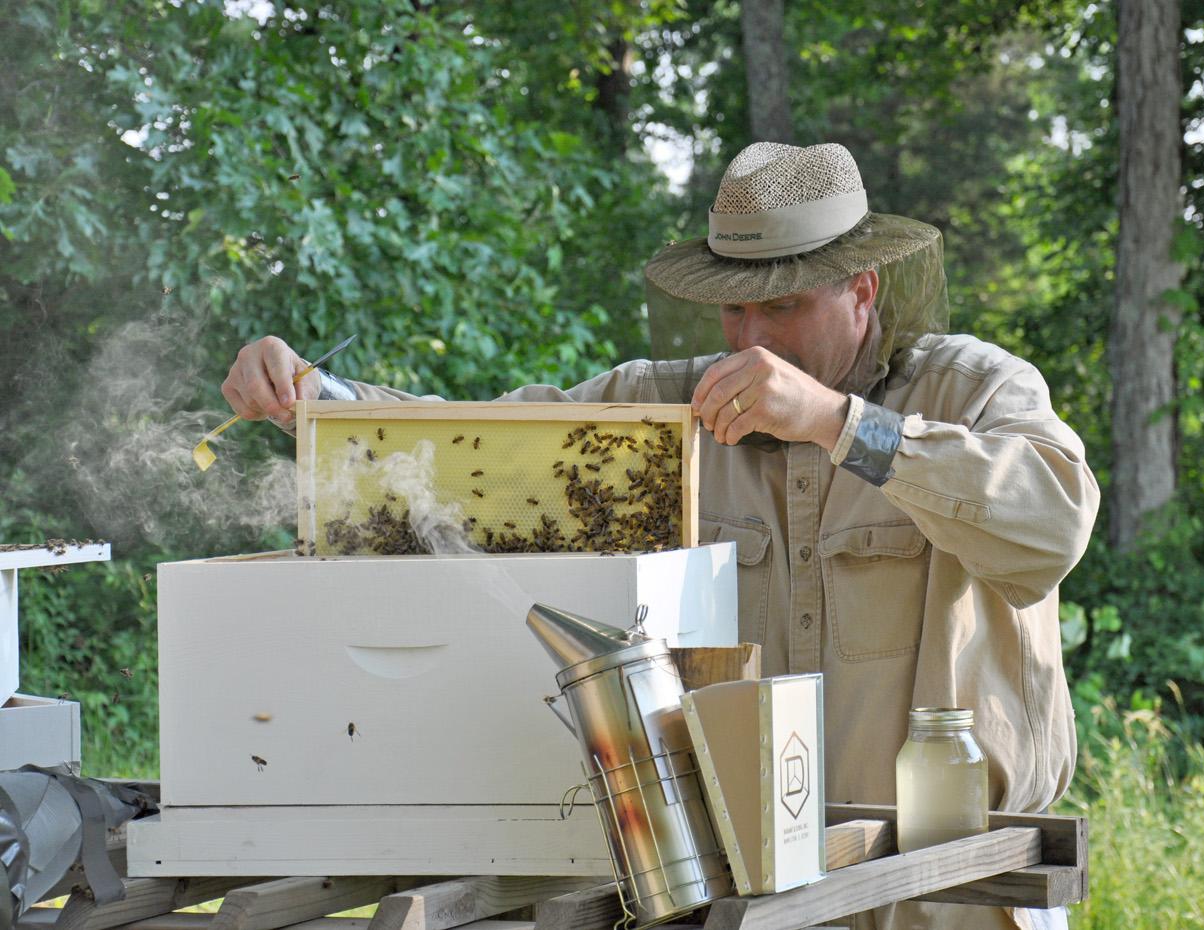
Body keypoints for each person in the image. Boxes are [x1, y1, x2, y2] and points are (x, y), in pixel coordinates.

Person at [222, 142, 1098, 930]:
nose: (752, 340)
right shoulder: (663, 402)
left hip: (947, 889)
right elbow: (474, 453)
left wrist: (839, 424)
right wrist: (317, 399)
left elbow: (1052, 525)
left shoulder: (975, 389)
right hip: (745, 885)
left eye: (782, 307)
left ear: (860, 293)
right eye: (733, 312)